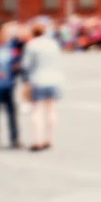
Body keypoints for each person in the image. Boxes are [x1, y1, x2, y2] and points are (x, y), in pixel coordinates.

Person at [22, 24, 64, 152]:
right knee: (52, 110)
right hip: (54, 79)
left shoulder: (32, 45)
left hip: (38, 79)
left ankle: (37, 140)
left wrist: (26, 81)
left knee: (37, 110)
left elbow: (26, 64)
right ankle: (50, 138)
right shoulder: (53, 44)